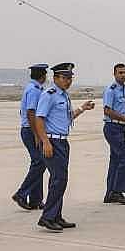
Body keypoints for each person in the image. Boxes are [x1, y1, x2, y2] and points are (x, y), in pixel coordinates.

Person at [33, 63, 95, 231]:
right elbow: (39, 118)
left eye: (70, 78)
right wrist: (45, 142)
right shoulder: (49, 95)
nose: (68, 81)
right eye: (65, 78)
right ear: (55, 78)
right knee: (59, 179)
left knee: (59, 180)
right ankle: (47, 217)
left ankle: (56, 216)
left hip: (62, 142)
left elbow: (68, 118)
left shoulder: (63, 95)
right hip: (52, 141)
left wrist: (82, 108)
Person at [11, 64, 48, 211]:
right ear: (43, 76)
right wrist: (37, 134)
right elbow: (31, 113)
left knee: (38, 163)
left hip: (31, 130)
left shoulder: (33, 88)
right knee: (40, 162)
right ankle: (21, 194)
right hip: (31, 131)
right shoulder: (34, 90)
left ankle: (35, 200)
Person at [102, 63, 125, 205]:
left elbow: (124, 110)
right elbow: (107, 111)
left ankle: (110, 193)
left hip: (121, 128)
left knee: (116, 160)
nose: (123, 75)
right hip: (112, 127)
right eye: (120, 72)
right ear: (114, 74)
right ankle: (117, 192)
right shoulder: (111, 90)